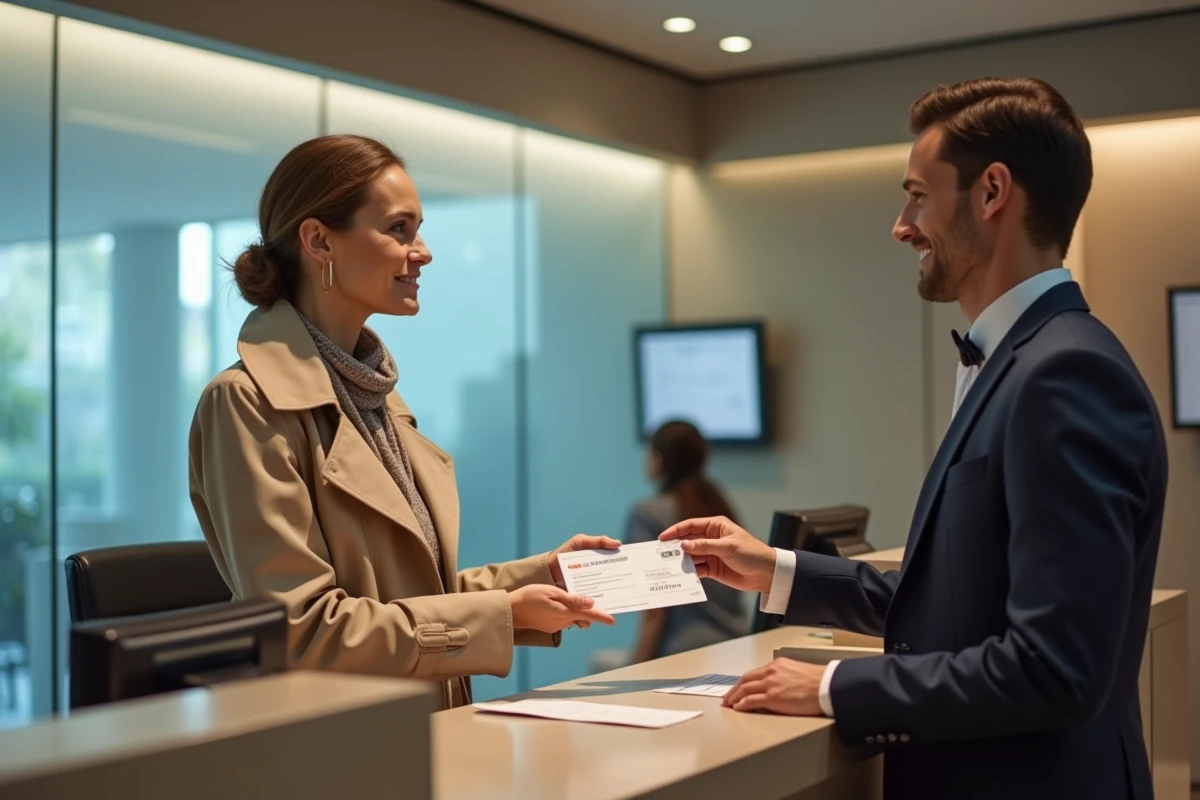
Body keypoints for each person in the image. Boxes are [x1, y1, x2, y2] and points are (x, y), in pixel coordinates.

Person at [661, 78, 1166, 799]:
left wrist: (838, 686)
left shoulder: (1066, 374)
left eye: (918, 196)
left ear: (992, 192)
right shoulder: (1031, 359)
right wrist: (775, 568)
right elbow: (962, 602)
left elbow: (1056, 667)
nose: (902, 226)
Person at [188, 134, 619, 711]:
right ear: (319, 241)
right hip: (349, 756)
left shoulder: (374, 396)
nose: (423, 251)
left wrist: (545, 575)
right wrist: (498, 614)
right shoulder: (245, 403)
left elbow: (413, 599)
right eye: (399, 229)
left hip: (418, 735)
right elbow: (303, 630)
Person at [623, 421, 748, 662]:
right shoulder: (720, 506)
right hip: (736, 645)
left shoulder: (648, 514)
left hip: (680, 655)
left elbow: (655, 611)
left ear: (657, 459)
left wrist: (634, 667)